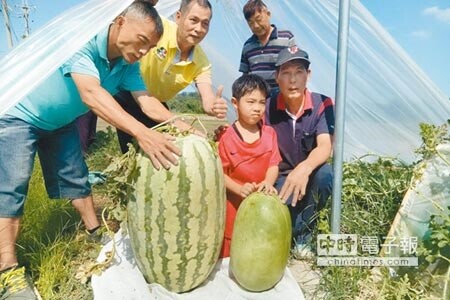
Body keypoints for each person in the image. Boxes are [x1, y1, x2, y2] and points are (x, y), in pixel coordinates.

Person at [0, 2, 181, 298]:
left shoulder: (127, 64)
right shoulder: (81, 39)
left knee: (76, 177)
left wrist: (180, 123)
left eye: (150, 47)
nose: (144, 51)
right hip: (19, 114)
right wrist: (141, 133)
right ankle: (7, 272)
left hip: (60, 121)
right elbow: (91, 93)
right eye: (143, 41)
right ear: (120, 22)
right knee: (11, 189)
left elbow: (146, 102)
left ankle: (95, 232)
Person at [78, 0, 228, 154]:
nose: (198, 29)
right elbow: (133, 15)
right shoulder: (156, 28)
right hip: (124, 90)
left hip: (151, 101)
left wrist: (213, 106)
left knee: (159, 148)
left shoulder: (202, 62)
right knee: (88, 114)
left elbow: (207, 96)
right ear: (178, 17)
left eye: (205, 24)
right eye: (193, 20)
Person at [265, 46, 334, 256]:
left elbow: (325, 145)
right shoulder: (267, 107)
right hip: (279, 176)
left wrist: (304, 168)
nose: (292, 80)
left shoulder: (323, 103)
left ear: (308, 75)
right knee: (276, 219)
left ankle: (303, 236)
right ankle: (292, 231)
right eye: (286, 73)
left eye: (299, 73)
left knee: (325, 175)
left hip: (309, 173)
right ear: (277, 77)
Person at [218, 74, 282, 258]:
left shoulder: (270, 134)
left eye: (262, 102)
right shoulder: (226, 138)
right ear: (235, 103)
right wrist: (238, 188)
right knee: (232, 252)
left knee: (259, 249)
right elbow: (219, 174)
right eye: (251, 101)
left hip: (263, 208)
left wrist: (268, 183)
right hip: (234, 208)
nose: (257, 108)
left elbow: (273, 164)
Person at [240, 0, 296, 92]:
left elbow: (295, 67)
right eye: (251, 23)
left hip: (281, 97)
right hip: (257, 98)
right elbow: (245, 76)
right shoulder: (247, 46)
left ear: (268, 14)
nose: (256, 26)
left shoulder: (287, 38)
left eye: (258, 19)